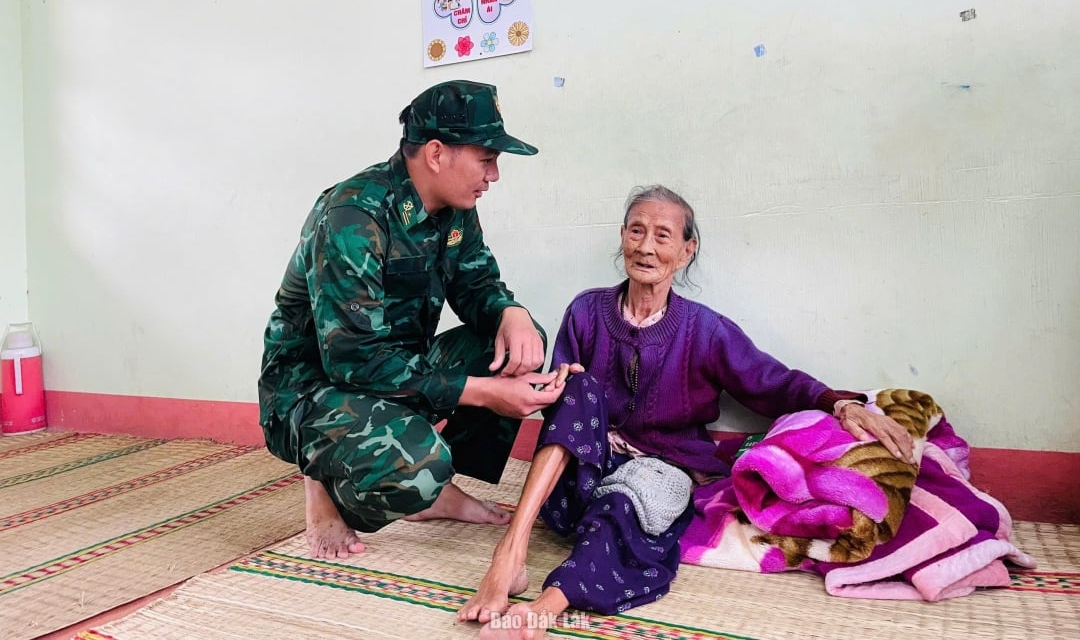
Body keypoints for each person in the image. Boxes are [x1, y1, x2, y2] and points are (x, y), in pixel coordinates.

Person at [460, 185, 915, 638]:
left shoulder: (705, 330)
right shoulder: (586, 311)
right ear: (622, 237)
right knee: (577, 385)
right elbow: (563, 413)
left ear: (686, 251)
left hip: (657, 472)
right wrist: (550, 385)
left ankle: (543, 609)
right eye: (636, 231)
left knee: (629, 505)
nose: (646, 246)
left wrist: (838, 403)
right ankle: (511, 553)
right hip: (576, 484)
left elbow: (771, 381)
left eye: (663, 235)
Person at [258, 79, 565, 560]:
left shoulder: (454, 208)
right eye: (486, 159)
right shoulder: (353, 217)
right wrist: (485, 392)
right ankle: (325, 479)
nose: (494, 175)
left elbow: (476, 283)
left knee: (516, 345)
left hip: (394, 369)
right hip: (311, 390)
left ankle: (434, 491)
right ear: (437, 154)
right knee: (419, 465)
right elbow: (353, 361)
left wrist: (512, 312)